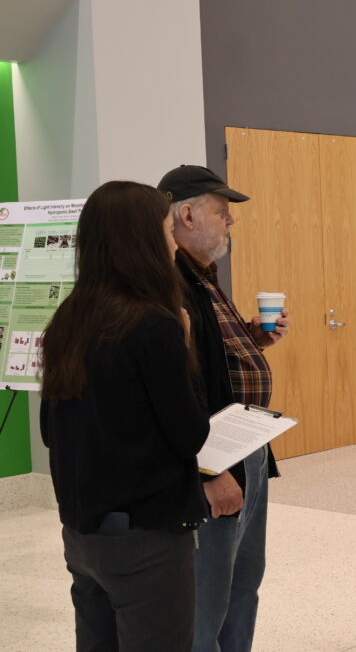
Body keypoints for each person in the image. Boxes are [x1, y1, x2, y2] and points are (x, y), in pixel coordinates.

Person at [41, 181, 210, 651]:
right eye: (166, 229)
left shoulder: (67, 321)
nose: (174, 240)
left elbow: (51, 432)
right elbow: (190, 434)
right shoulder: (156, 326)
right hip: (146, 541)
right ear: (142, 241)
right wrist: (185, 342)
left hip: (83, 535)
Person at [157, 165, 290, 652]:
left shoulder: (205, 278)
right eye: (222, 211)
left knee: (242, 585)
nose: (230, 222)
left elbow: (211, 360)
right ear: (187, 214)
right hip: (217, 459)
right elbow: (182, 390)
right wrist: (210, 470)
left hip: (246, 447)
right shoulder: (171, 286)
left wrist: (253, 340)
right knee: (206, 599)